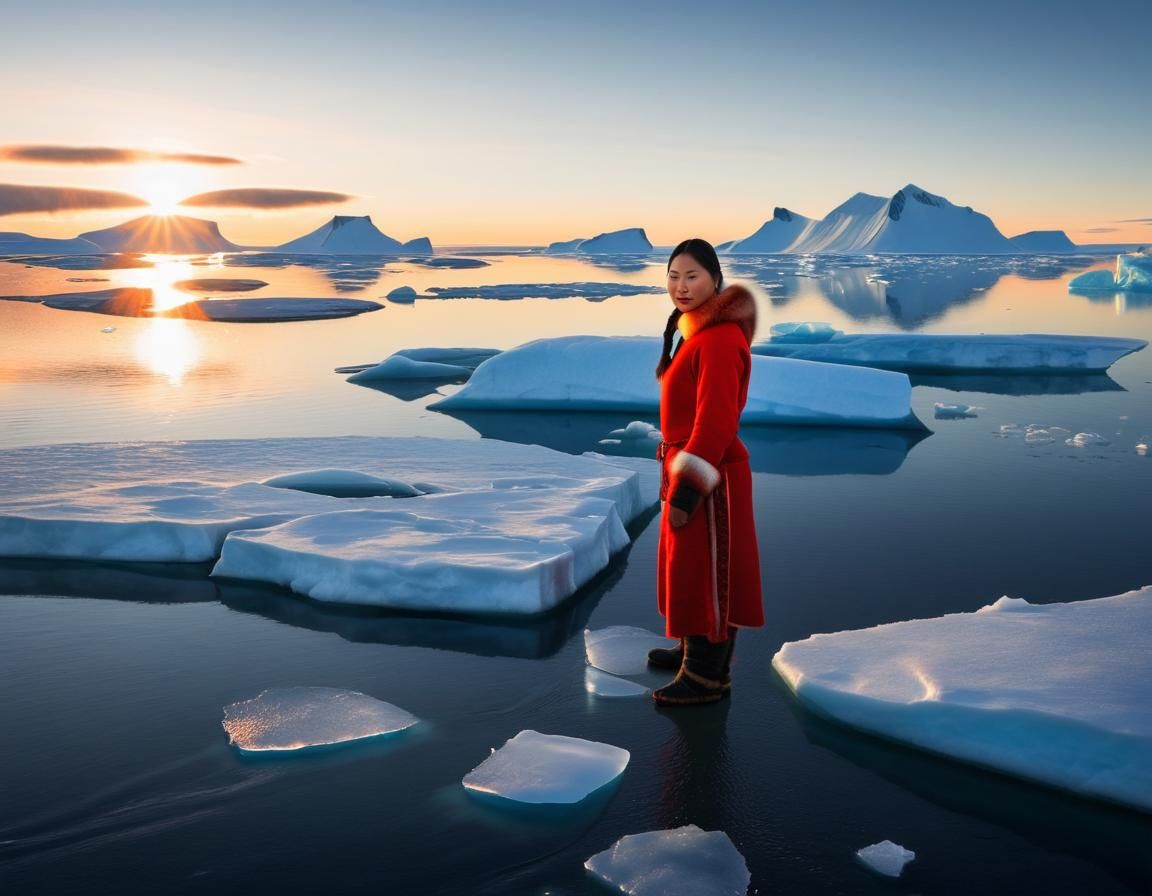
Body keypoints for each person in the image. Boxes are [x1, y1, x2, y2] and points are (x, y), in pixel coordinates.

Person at [648, 238, 764, 706]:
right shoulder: (695, 330)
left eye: (692, 276)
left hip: (709, 474)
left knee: (712, 571)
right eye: (673, 276)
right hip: (692, 464)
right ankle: (692, 648)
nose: (681, 285)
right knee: (692, 570)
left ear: (715, 280)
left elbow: (715, 421)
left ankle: (706, 677)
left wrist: (688, 491)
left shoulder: (718, 339)